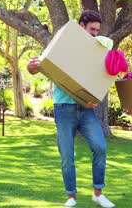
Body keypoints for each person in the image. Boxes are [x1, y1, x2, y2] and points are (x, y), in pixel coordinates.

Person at [27, 10, 115, 208]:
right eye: (91, 29)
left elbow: (108, 43)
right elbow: (37, 66)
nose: (95, 34)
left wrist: (94, 39)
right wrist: (31, 65)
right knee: (67, 155)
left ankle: (98, 193)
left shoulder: (97, 48)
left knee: (100, 147)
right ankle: (71, 196)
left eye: (97, 30)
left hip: (86, 109)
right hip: (63, 108)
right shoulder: (64, 45)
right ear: (81, 26)